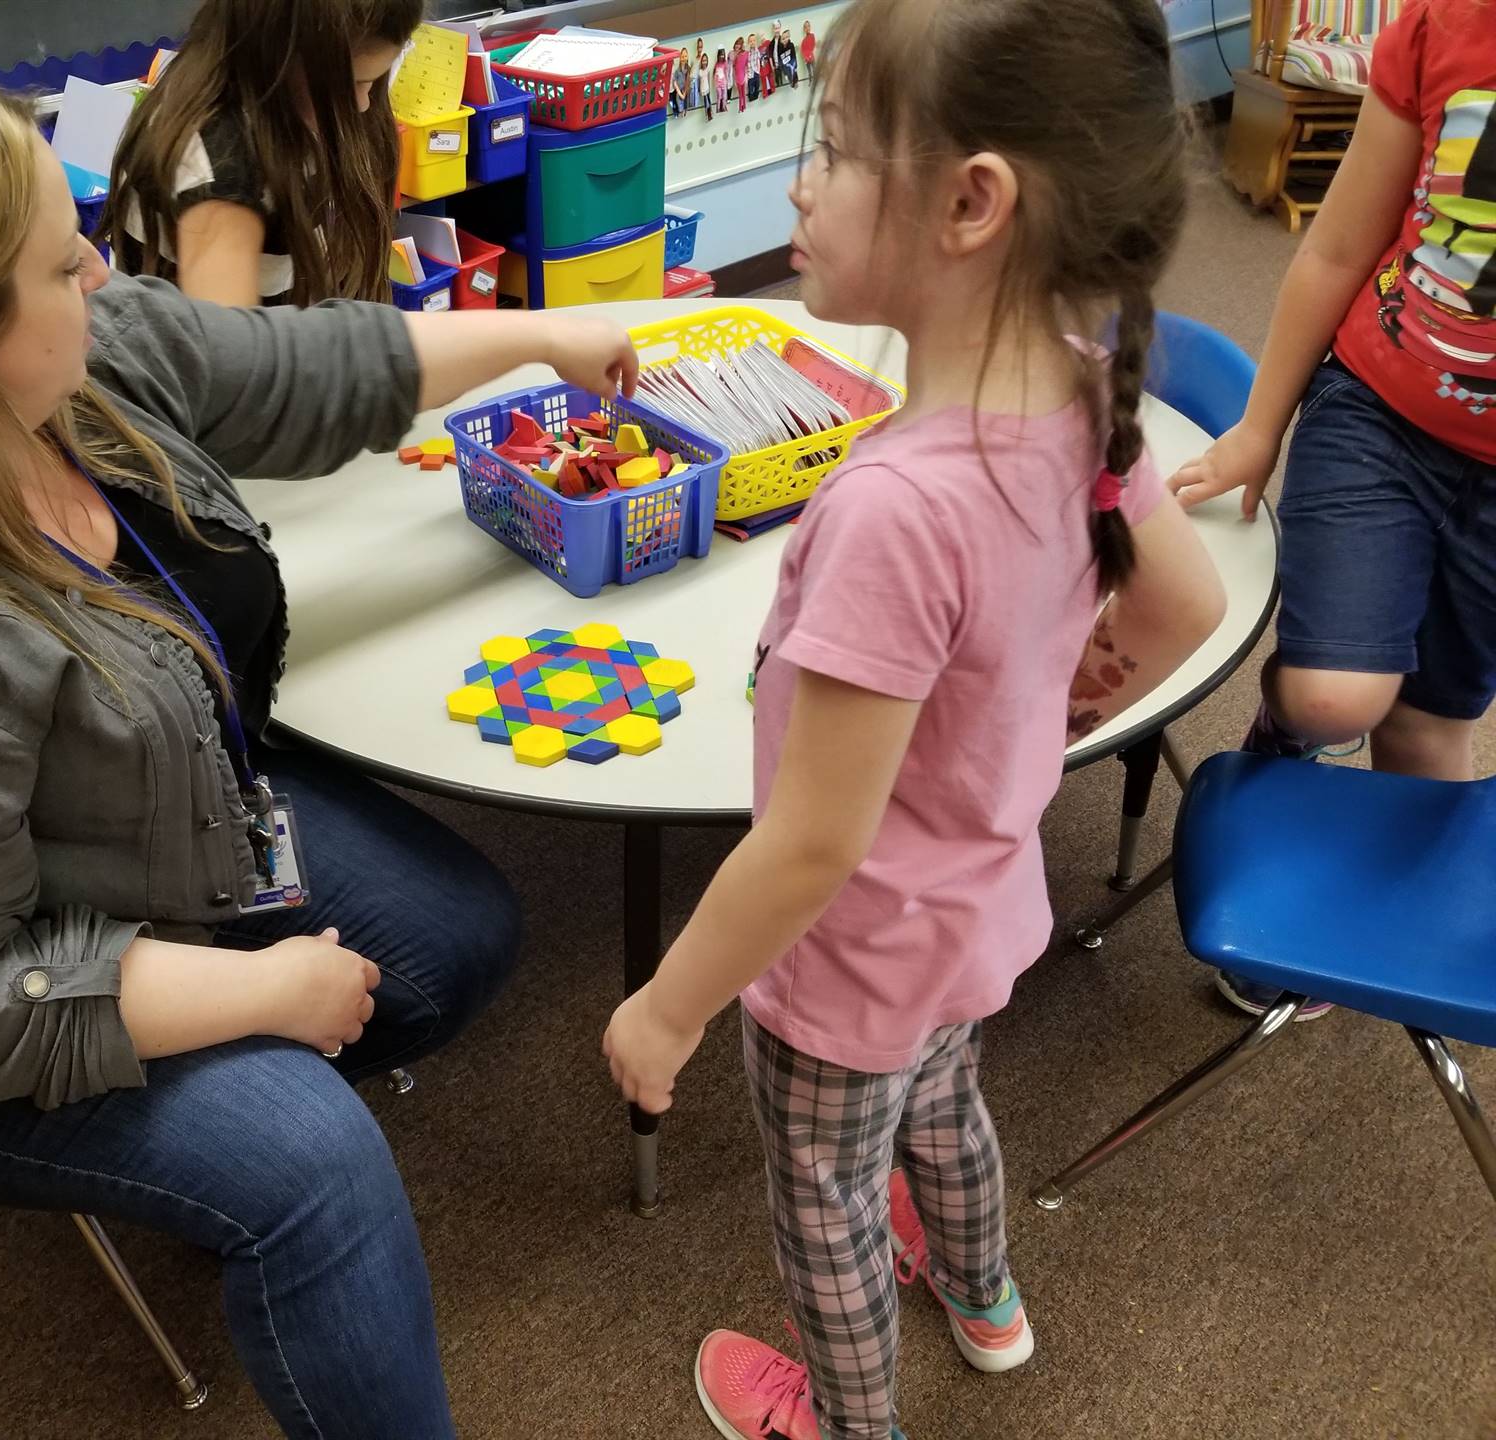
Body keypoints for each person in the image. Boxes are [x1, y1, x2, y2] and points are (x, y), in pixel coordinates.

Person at [0, 75, 640, 1440]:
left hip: (140, 821)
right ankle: (237, 1168)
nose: (103, 273)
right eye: (65, 262)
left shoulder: (68, 364)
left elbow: (305, 370)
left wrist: (558, 338)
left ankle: (193, 1148)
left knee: (456, 938)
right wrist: (255, 996)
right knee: (314, 1161)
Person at [599, 2, 1224, 1437]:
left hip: (847, 959)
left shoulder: (895, 508)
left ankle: (847, 1419)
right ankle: (987, 1298)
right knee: (944, 1111)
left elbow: (811, 846)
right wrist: (1071, 680)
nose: (797, 190)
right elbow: (1179, 606)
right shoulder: (1078, 390)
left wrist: (667, 1005)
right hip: (976, 910)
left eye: (828, 154)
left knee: (824, 1193)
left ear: (969, 203)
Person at [1167, 0, 1496, 1018]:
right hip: (1381, 415)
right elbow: (1334, 248)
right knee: (1333, 697)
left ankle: (1349, 927)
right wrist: (1260, 427)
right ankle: (1281, 746)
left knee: (1431, 727)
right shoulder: (1450, 24)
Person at [105, 0, 420, 306]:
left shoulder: (275, 107)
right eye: (354, 83)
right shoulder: (219, 171)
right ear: (280, 55)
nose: (364, 104)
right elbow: (231, 352)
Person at [713, 43, 732, 117]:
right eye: (720, 54)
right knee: (719, 96)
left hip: (724, 83)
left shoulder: (725, 63)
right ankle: (718, 109)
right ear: (718, 55)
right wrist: (715, 83)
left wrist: (727, 82)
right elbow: (715, 74)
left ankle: (724, 107)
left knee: (724, 96)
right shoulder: (717, 64)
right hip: (718, 84)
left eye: (723, 54)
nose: (722, 56)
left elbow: (726, 73)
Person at [672, 47, 692, 116]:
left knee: (685, 109)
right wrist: (680, 94)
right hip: (679, 94)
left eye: (685, 56)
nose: (684, 58)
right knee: (680, 109)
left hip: (686, 93)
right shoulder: (677, 71)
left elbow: (688, 82)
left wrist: (684, 93)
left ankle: (684, 111)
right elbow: (674, 82)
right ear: (680, 58)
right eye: (682, 56)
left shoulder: (689, 69)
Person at [695, 40, 712, 119]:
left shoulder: (708, 69)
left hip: (707, 88)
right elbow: (698, 81)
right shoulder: (700, 71)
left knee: (709, 100)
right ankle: (707, 113)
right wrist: (698, 90)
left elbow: (708, 78)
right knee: (706, 102)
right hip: (703, 88)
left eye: (705, 60)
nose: (704, 62)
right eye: (703, 61)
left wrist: (710, 88)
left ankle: (710, 113)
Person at [734, 36, 752, 110]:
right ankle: (741, 107)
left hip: (743, 76)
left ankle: (743, 107)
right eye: (737, 44)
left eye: (740, 44)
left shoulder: (747, 53)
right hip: (738, 76)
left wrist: (747, 75)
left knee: (743, 94)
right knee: (740, 94)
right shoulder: (736, 55)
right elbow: (734, 66)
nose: (738, 46)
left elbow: (748, 64)